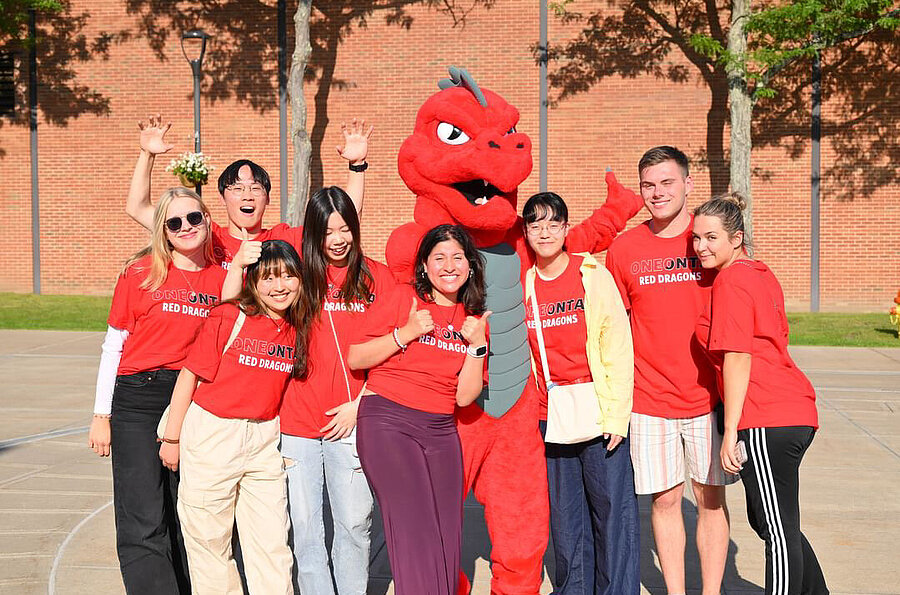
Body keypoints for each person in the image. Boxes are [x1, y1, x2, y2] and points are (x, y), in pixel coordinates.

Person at [605, 146, 736, 595]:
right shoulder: (624, 248)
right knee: (664, 501)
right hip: (650, 399)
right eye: (648, 184)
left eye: (666, 182)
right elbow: (617, 330)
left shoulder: (706, 240)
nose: (657, 193)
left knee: (709, 500)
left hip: (708, 397)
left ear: (688, 184)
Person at [89, 185, 225, 594]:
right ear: (163, 231)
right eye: (174, 222)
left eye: (193, 218)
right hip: (138, 397)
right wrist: (101, 414)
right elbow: (114, 344)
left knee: (187, 512)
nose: (186, 227)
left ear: (207, 220)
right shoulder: (140, 273)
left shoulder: (226, 278)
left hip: (195, 399)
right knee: (143, 515)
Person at [693, 193, 827, 595]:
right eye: (697, 238)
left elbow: (737, 357)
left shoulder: (732, 281)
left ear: (736, 238)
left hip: (766, 415)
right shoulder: (759, 272)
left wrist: (730, 430)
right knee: (774, 521)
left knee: (777, 530)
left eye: (711, 237)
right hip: (792, 412)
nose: (701, 246)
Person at [347, 224, 490, 595]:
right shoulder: (403, 298)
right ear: (424, 266)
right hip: (388, 422)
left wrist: (477, 347)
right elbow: (356, 356)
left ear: (470, 265)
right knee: (417, 529)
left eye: (458, 257)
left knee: (446, 533)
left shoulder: (472, 320)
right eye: (439, 257)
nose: (449, 265)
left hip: (441, 431)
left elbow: (464, 397)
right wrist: (406, 333)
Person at [157, 240, 303, 595]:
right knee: (209, 542)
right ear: (253, 282)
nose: (279, 286)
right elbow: (189, 377)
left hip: (264, 439)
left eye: (288, 276)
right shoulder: (230, 315)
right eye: (269, 278)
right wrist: (172, 438)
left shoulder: (299, 327)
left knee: (272, 545)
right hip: (212, 434)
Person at [521, 192, 639, 595]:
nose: (545, 232)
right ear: (526, 232)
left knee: (611, 513)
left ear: (566, 229)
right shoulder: (526, 282)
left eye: (553, 224)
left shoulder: (591, 274)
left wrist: (617, 416)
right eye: (535, 225)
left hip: (599, 410)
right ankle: (574, 589)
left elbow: (618, 348)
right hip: (550, 413)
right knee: (567, 517)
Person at [281, 185, 396, 595]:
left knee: (353, 526)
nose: (338, 240)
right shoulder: (297, 276)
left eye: (345, 228)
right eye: (328, 231)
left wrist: (359, 406)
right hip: (297, 424)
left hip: (351, 421)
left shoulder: (377, 277)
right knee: (307, 533)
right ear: (313, 233)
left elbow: (395, 354)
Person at [124, 114, 372, 266]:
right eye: (237, 188)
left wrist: (357, 166)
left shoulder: (283, 239)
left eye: (255, 188)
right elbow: (137, 208)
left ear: (268, 199)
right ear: (222, 197)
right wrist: (147, 155)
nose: (247, 195)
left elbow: (345, 219)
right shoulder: (206, 236)